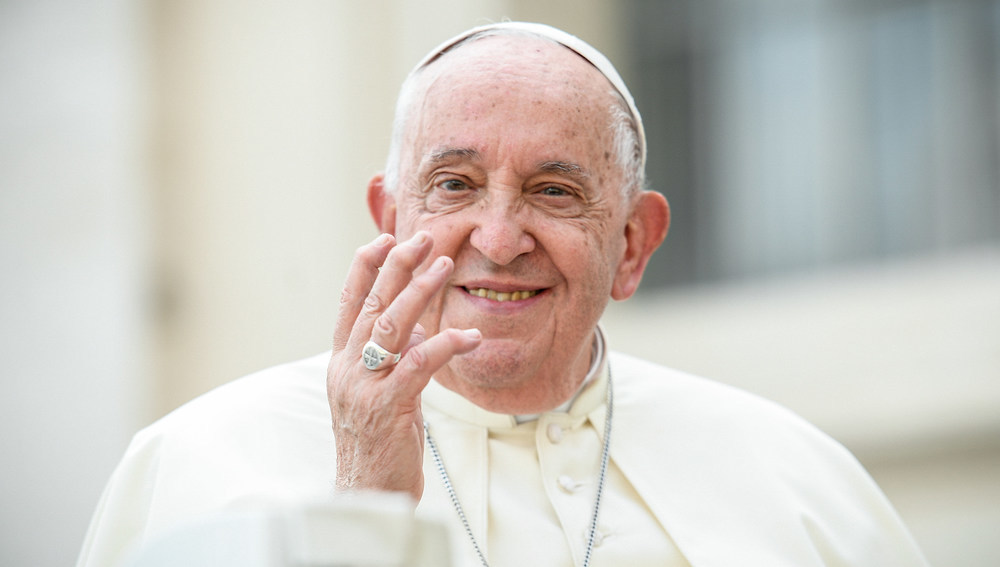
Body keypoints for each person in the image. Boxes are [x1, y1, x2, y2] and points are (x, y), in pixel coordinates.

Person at [77, 22, 929, 567]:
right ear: (389, 216)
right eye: (453, 184)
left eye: (555, 191)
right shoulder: (198, 462)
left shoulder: (798, 480)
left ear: (632, 245)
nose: (496, 237)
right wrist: (364, 499)